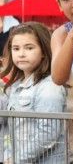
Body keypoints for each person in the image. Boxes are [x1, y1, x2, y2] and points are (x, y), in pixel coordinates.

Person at [0, 22, 68, 163]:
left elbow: (47, 134)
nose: (22, 54)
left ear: (43, 51)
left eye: (29, 48)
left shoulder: (50, 86)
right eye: (16, 49)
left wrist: (17, 159)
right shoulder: (16, 85)